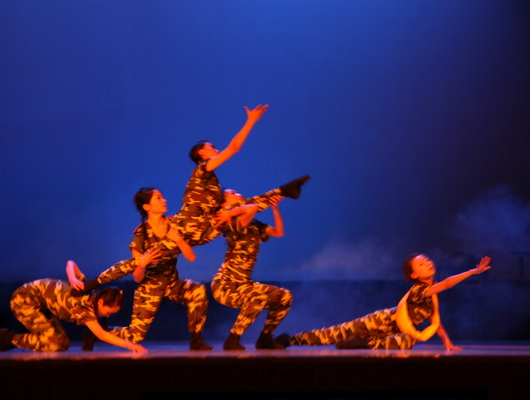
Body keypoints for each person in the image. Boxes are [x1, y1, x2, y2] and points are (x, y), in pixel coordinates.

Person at [275, 255, 492, 350]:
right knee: (334, 333)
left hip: (389, 334)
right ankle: (290, 340)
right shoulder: (420, 290)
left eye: (427, 260)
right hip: (379, 321)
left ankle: (363, 344)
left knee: (407, 342)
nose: (427, 263)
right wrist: (472, 272)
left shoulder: (430, 295)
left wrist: (447, 343)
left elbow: (436, 322)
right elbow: (446, 284)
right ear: (414, 275)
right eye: (421, 264)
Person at [172, 104, 309, 247]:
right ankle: (284, 191)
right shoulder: (201, 170)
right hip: (186, 227)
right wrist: (251, 121)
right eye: (212, 147)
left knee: (239, 206)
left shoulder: (212, 184)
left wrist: (276, 201)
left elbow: (243, 207)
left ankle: (284, 191)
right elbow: (233, 148)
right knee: (239, 208)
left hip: (202, 232)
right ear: (201, 153)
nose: (217, 150)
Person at [96, 187, 212, 351]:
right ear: (147, 206)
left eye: (163, 197)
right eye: (158, 198)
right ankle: (99, 333)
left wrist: (178, 239)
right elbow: (137, 277)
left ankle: (196, 339)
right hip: (149, 287)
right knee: (136, 336)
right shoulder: (141, 234)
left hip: (172, 284)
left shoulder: (173, 225)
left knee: (197, 290)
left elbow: (191, 257)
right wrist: (142, 264)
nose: (164, 200)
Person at [212, 189, 293, 350]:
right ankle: (232, 339)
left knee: (284, 297)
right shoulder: (231, 222)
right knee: (258, 297)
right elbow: (252, 207)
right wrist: (231, 212)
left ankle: (265, 339)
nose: (239, 194)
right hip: (226, 285)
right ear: (224, 204)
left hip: (244, 284)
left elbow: (278, 232)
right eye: (233, 194)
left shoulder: (254, 224)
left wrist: (275, 209)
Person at [0, 275, 147, 353]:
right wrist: (131, 346)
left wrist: (73, 276)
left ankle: (9, 339)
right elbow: (101, 334)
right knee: (54, 344)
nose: (107, 315)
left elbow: (71, 263)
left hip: (41, 304)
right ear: (100, 302)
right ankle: (9, 339)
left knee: (62, 344)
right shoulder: (83, 306)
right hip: (23, 301)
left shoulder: (87, 289)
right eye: (108, 311)